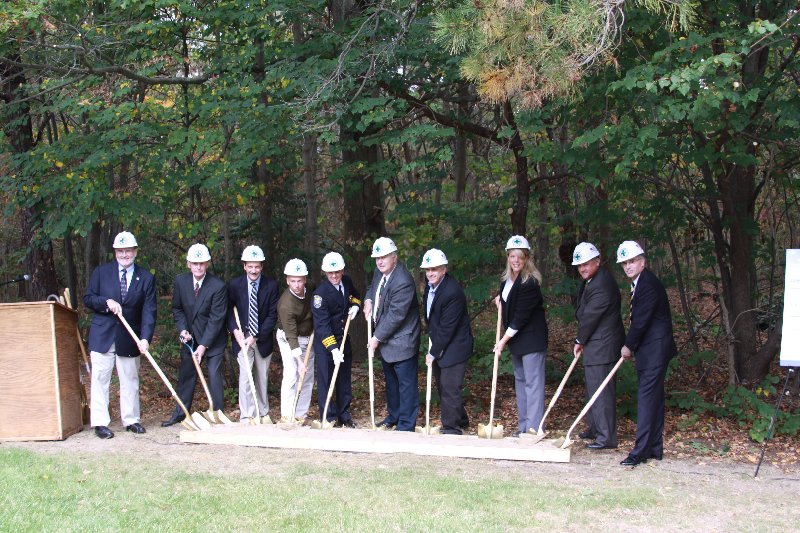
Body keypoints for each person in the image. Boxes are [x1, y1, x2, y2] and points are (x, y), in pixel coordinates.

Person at [83, 231, 157, 439]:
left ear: (135, 252)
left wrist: (145, 338)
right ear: (115, 252)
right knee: (100, 379)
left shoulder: (146, 278)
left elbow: (149, 311)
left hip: (130, 336)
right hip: (103, 335)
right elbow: (88, 298)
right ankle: (100, 423)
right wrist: (105, 302)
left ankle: (131, 420)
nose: (124, 254)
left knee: (130, 379)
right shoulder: (101, 272)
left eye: (128, 251)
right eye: (120, 251)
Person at [616, 240, 677, 467]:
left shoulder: (648, 284)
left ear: (643, 262)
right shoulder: (640, 282)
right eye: (624, 263)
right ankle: (654, 448)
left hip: (655, 350)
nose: (628, 266)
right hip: (651, 349)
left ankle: (640, 452)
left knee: (646, 399)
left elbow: (641, 321)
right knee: (653, 399)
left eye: (632, 261)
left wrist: (628, 345)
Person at [162, 243, 229, 427]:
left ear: (207, 263)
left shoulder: (218, 286)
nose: (198, 267)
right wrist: (182, 329)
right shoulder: (181, 281)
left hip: (213, 340)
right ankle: (180, 414)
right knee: (186, 375)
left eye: (201, 263)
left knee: (214, 375)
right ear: (188, 264)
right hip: (190, 339)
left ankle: (217, 415)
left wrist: (203, 345)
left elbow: (216, 319)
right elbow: (177, 309)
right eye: (194, 263)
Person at [363, 237, 421, 432]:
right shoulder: (379, 273)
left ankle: (406, 424)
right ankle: (394, 416)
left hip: (402, 341)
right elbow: (372, 289)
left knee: (406, 385)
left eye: (384, 257)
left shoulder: (403, 281)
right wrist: (368, 300)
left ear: (394, 257)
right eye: (377, 258)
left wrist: (376, 338)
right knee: (392, 383)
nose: (380, 261)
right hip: (387, 341)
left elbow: (396, 315)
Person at [571, 242, 625, 450]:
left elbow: (590, 317)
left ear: (597, 261)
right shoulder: (592, 280)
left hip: (603, 345)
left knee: (601, 392)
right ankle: (595, 428)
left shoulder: (602, 284)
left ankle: (606, 437)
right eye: (579, 265)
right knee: (593, 389)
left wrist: (579, 340)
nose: (582, 269)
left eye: (585, 264)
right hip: (596, 344)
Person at [493, 235, 548, 437]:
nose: (516, 260)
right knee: (521, 383)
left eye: (520, 256)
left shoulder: (530, 282)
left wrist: (502, 341)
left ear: (527, 258)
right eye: (512, 256)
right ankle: (523, 427)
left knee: (533, 385)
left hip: (531, 340)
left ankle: (534, 429)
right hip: (517, 341)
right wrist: (501, 302)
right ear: (508, 257)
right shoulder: (507, 281)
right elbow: (510, 304)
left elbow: (520, 317)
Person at [420, 248, 472, 435]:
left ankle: (451, 428)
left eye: (434, 269)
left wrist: (433, 352)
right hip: (440, 341)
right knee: (443, 386)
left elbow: (448, 327)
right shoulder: (430, 287)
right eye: (428, 270)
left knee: (450, 387)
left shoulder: (452, 292)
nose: (430, 273)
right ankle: (462, 419)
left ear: (444, 269)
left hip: (456, 345)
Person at [227, 245, 279, 423]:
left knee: (262, 378)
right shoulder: (235, 285)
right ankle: (247, 415)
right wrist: (235, 331)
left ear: (262, 266)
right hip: (242, 339)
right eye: (250, 266)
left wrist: (255, 336)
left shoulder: (271, 285)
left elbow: (272, 315)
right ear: (244, 266)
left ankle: (262, 413)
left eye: (257, 266)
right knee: (245, 377)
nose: (254, 270)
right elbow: (228, 311)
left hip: (261, 338)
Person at [311, 252, 361, 428]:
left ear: (342, 270)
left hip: (343, 339)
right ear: (325, 272)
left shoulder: (346, 282)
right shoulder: (320, 295)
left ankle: (344, 415)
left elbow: (355, 296)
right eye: (330, 272)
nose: (334, 276)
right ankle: (328, 417)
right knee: (326, 381)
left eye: (337, 272)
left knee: (344, 380)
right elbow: (322, 326)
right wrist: (333, 349)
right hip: (326, 344)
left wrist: (356, 306)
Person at [276, 258, 316, 422]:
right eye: (293, 281)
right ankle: (287, 415)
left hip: (308, 336)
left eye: (299, 280)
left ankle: (300, 415)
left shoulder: (311, 287)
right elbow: (291, 337)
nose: (297, 285)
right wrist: (299, 361)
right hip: (288, 339)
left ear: (305, 279)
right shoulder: (285, 304)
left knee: (307, 376)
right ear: (287, 281)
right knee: (292, 374)